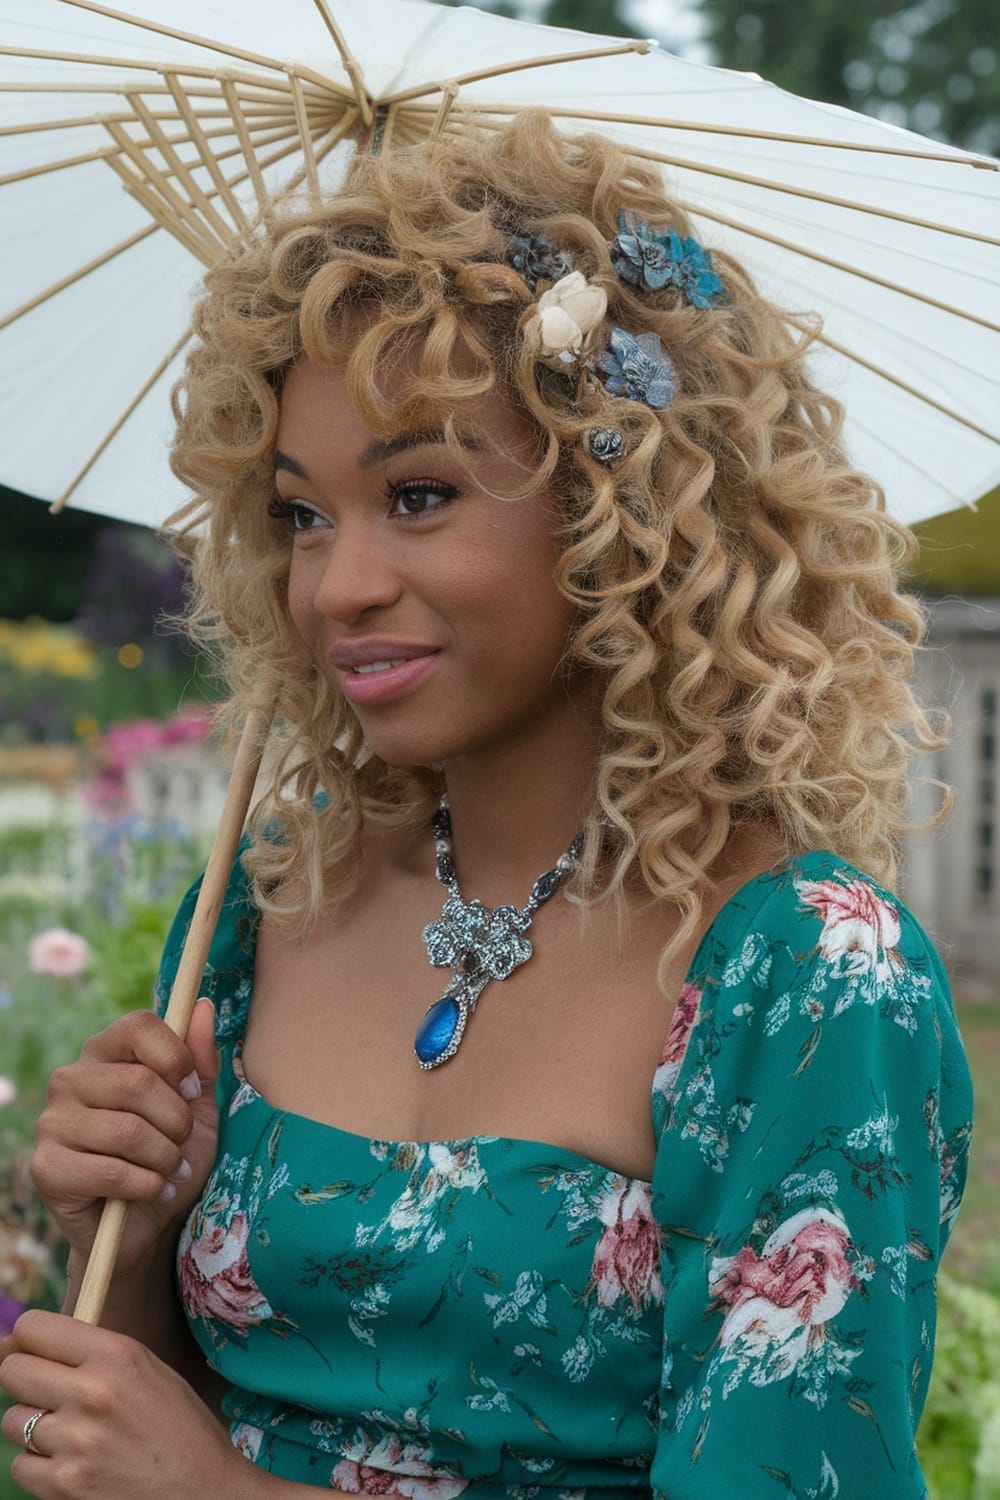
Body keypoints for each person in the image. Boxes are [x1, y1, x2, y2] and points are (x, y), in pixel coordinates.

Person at [0, 111, 972, 1499]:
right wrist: (135, 1233)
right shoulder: (272, 900)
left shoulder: (802, 973)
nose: (337, 588)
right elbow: (146, 1421)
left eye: (417, 494)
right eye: (302, 515)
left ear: (621, 506)